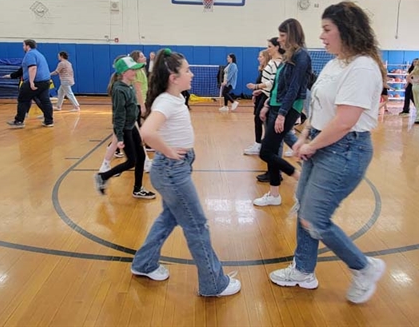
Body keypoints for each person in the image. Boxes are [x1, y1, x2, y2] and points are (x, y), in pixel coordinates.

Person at [269, 1, 386, 305]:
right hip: (323, 141)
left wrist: (311, 145)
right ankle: (303, 270)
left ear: (346, 31)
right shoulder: (336, 62)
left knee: (315, 218)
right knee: (303, 207)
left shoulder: (362, 67)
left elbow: (345, 121)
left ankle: (364, 267)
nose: (321, 36)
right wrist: (306, 135)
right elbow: (318, 105)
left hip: (345, 150)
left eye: (326, 29)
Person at [131, 48, 241, 297]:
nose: (191, 74)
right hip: (172, 171)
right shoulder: (166, 101)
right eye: (187, 70)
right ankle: (214, 283)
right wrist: (169, 151)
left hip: (174, 170)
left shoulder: (175, 97)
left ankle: (143, 264)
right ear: (173, 77)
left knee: (167, 219)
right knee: (197, 225)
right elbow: (147, 133)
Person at [254, 18, 310, 207]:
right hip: (277, 105)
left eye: (283, 36)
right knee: (270, 150)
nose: (280, 40)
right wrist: (268, 104)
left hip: (288, 108)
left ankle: (300, 178)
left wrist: (282, 114)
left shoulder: (302, 56)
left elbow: (294, 88)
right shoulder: (289, 55)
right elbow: (278, 84)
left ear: (293, 35)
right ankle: (274, 193)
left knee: (266, 152)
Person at [93, 56, 156, 199]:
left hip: (131, 127)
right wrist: (120, 137)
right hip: (125, 130)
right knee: (132, 161)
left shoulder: (130, 86)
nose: (135, 72)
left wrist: (137, 130)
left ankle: (138, 189)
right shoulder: (119, 90)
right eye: (132, 70)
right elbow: (118, 116)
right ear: (124, 72)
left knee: (140, 157)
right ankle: (103, 177)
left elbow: (131, 112)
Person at [6, 39, 54, 128]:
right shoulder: (39, 54)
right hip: (45, 81)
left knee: (22, 99)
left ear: (28, 46)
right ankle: (49, 121)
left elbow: (33, 68)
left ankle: (19, 121)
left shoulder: (30, 54)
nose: (23, 47)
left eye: (23, 45)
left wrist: (31, 82)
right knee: (45, 101)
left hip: (36, 81)